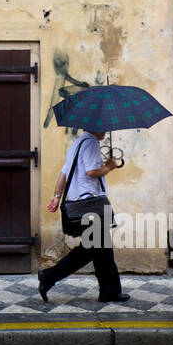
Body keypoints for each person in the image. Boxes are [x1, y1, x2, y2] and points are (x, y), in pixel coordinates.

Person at [37, 129, 131, 303]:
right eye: (103, 126)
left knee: (102, 250)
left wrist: (56, 196)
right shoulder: (91, 143)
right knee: (91, 249)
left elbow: (63, 173)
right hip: (90, 205)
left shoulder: (77, 143)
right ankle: (48, 276)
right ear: (94, 126)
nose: (105, 130)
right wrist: (109, 167)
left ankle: (109, 291)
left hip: (80, 204)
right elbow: (91, 172)